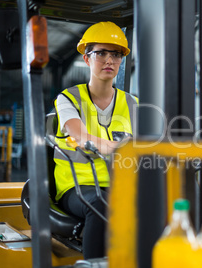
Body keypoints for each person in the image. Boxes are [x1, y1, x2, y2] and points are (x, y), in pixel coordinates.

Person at [53, 21, 138, 259]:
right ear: (87, 59)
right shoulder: (69, 98)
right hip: (78, 187)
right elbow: (79, 136)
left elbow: (148, 145)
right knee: (102, 205)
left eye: (116, 54)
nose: (109, 60)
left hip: (119, 185)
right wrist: (123, 149)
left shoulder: (133, 104)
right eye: (101, 53)